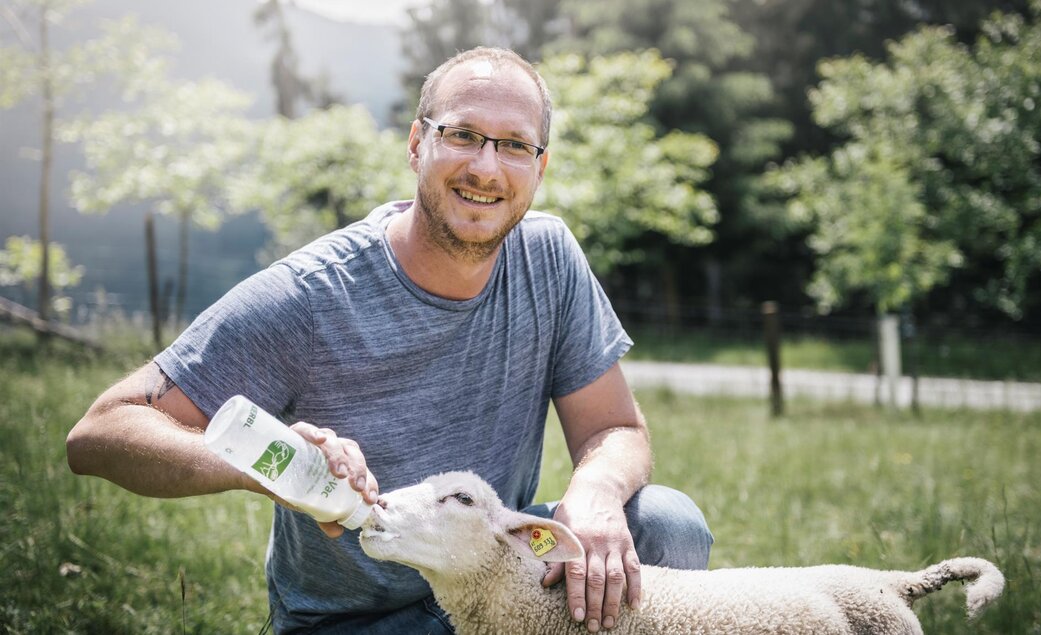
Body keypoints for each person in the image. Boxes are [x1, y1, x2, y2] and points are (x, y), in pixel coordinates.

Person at [66, 47, 712, 634]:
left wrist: (594, 493)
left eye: (514, 145)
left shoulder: (548, 258)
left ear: (539, 167)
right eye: (462, 135)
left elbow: (614, 428)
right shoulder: (307, 296)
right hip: (356, 622)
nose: (486, 167)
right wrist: (268, 463)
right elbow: (99, 433)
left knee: (667, 525)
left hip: (492, 587)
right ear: (416, 144)